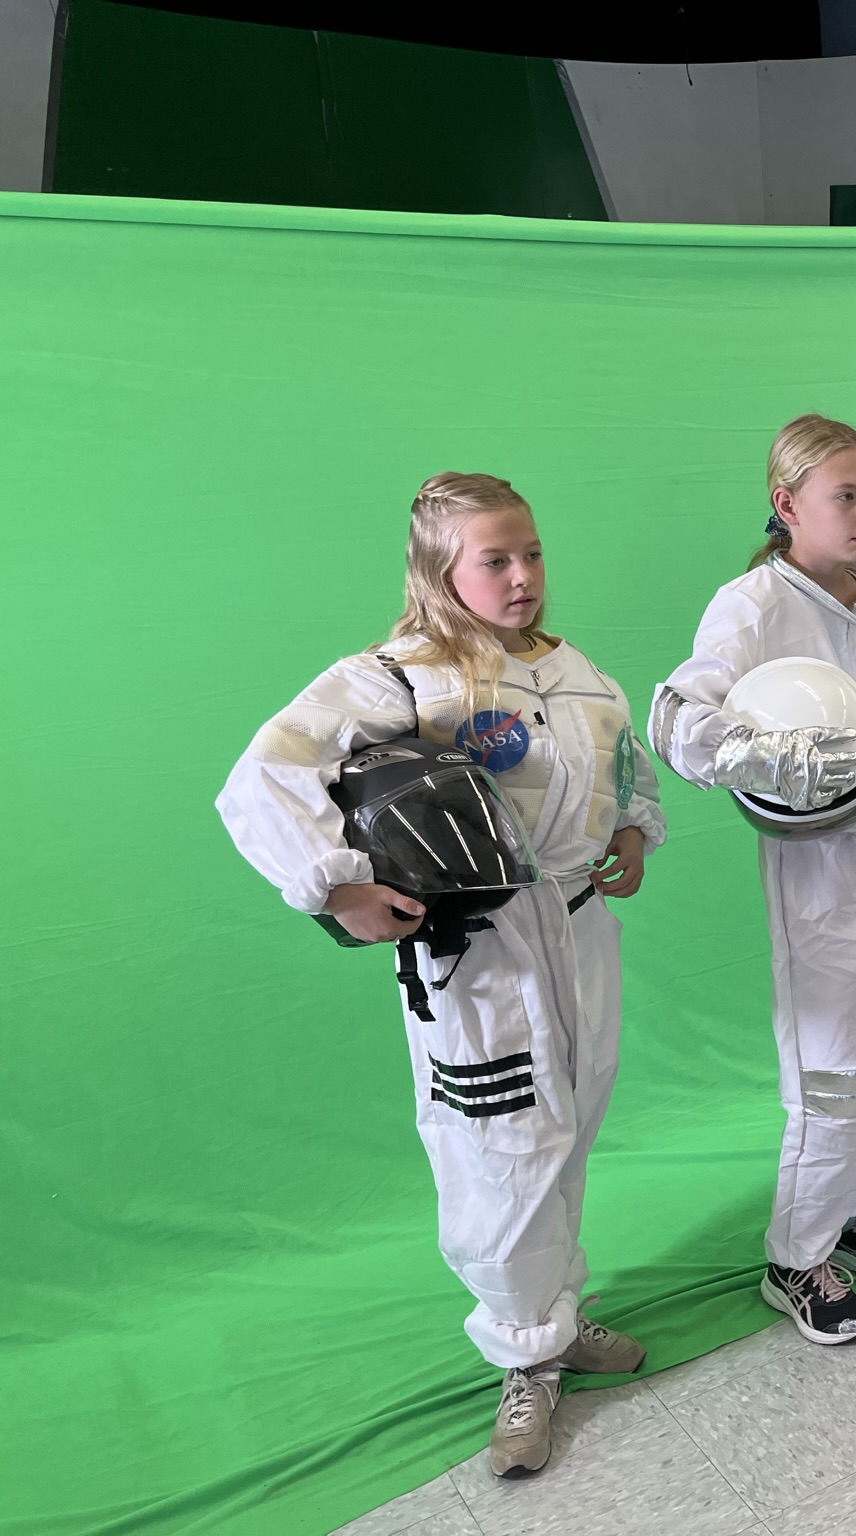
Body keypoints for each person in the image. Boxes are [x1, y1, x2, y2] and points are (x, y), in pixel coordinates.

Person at [217, 473, 665, 1478]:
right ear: (438, 570)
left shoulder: (578, 673)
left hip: (577, 925)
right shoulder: (406, 677)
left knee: (570, 1125)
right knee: (498, 1147)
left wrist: (633, 829)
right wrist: (336, 886)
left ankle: (555, 1314)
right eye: (493, 560)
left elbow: (622, 764)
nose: (522, 576)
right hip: (477, 947)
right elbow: (267, 771)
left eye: (531, 553)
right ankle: (523, 1357)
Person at [648, 415, 856, 1344]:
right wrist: (774, 762)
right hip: (815, 870)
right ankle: (797, 1257)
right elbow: (678, 721)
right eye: (843, 497)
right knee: (830, 1067)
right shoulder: (752, 607)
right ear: (786, 504)